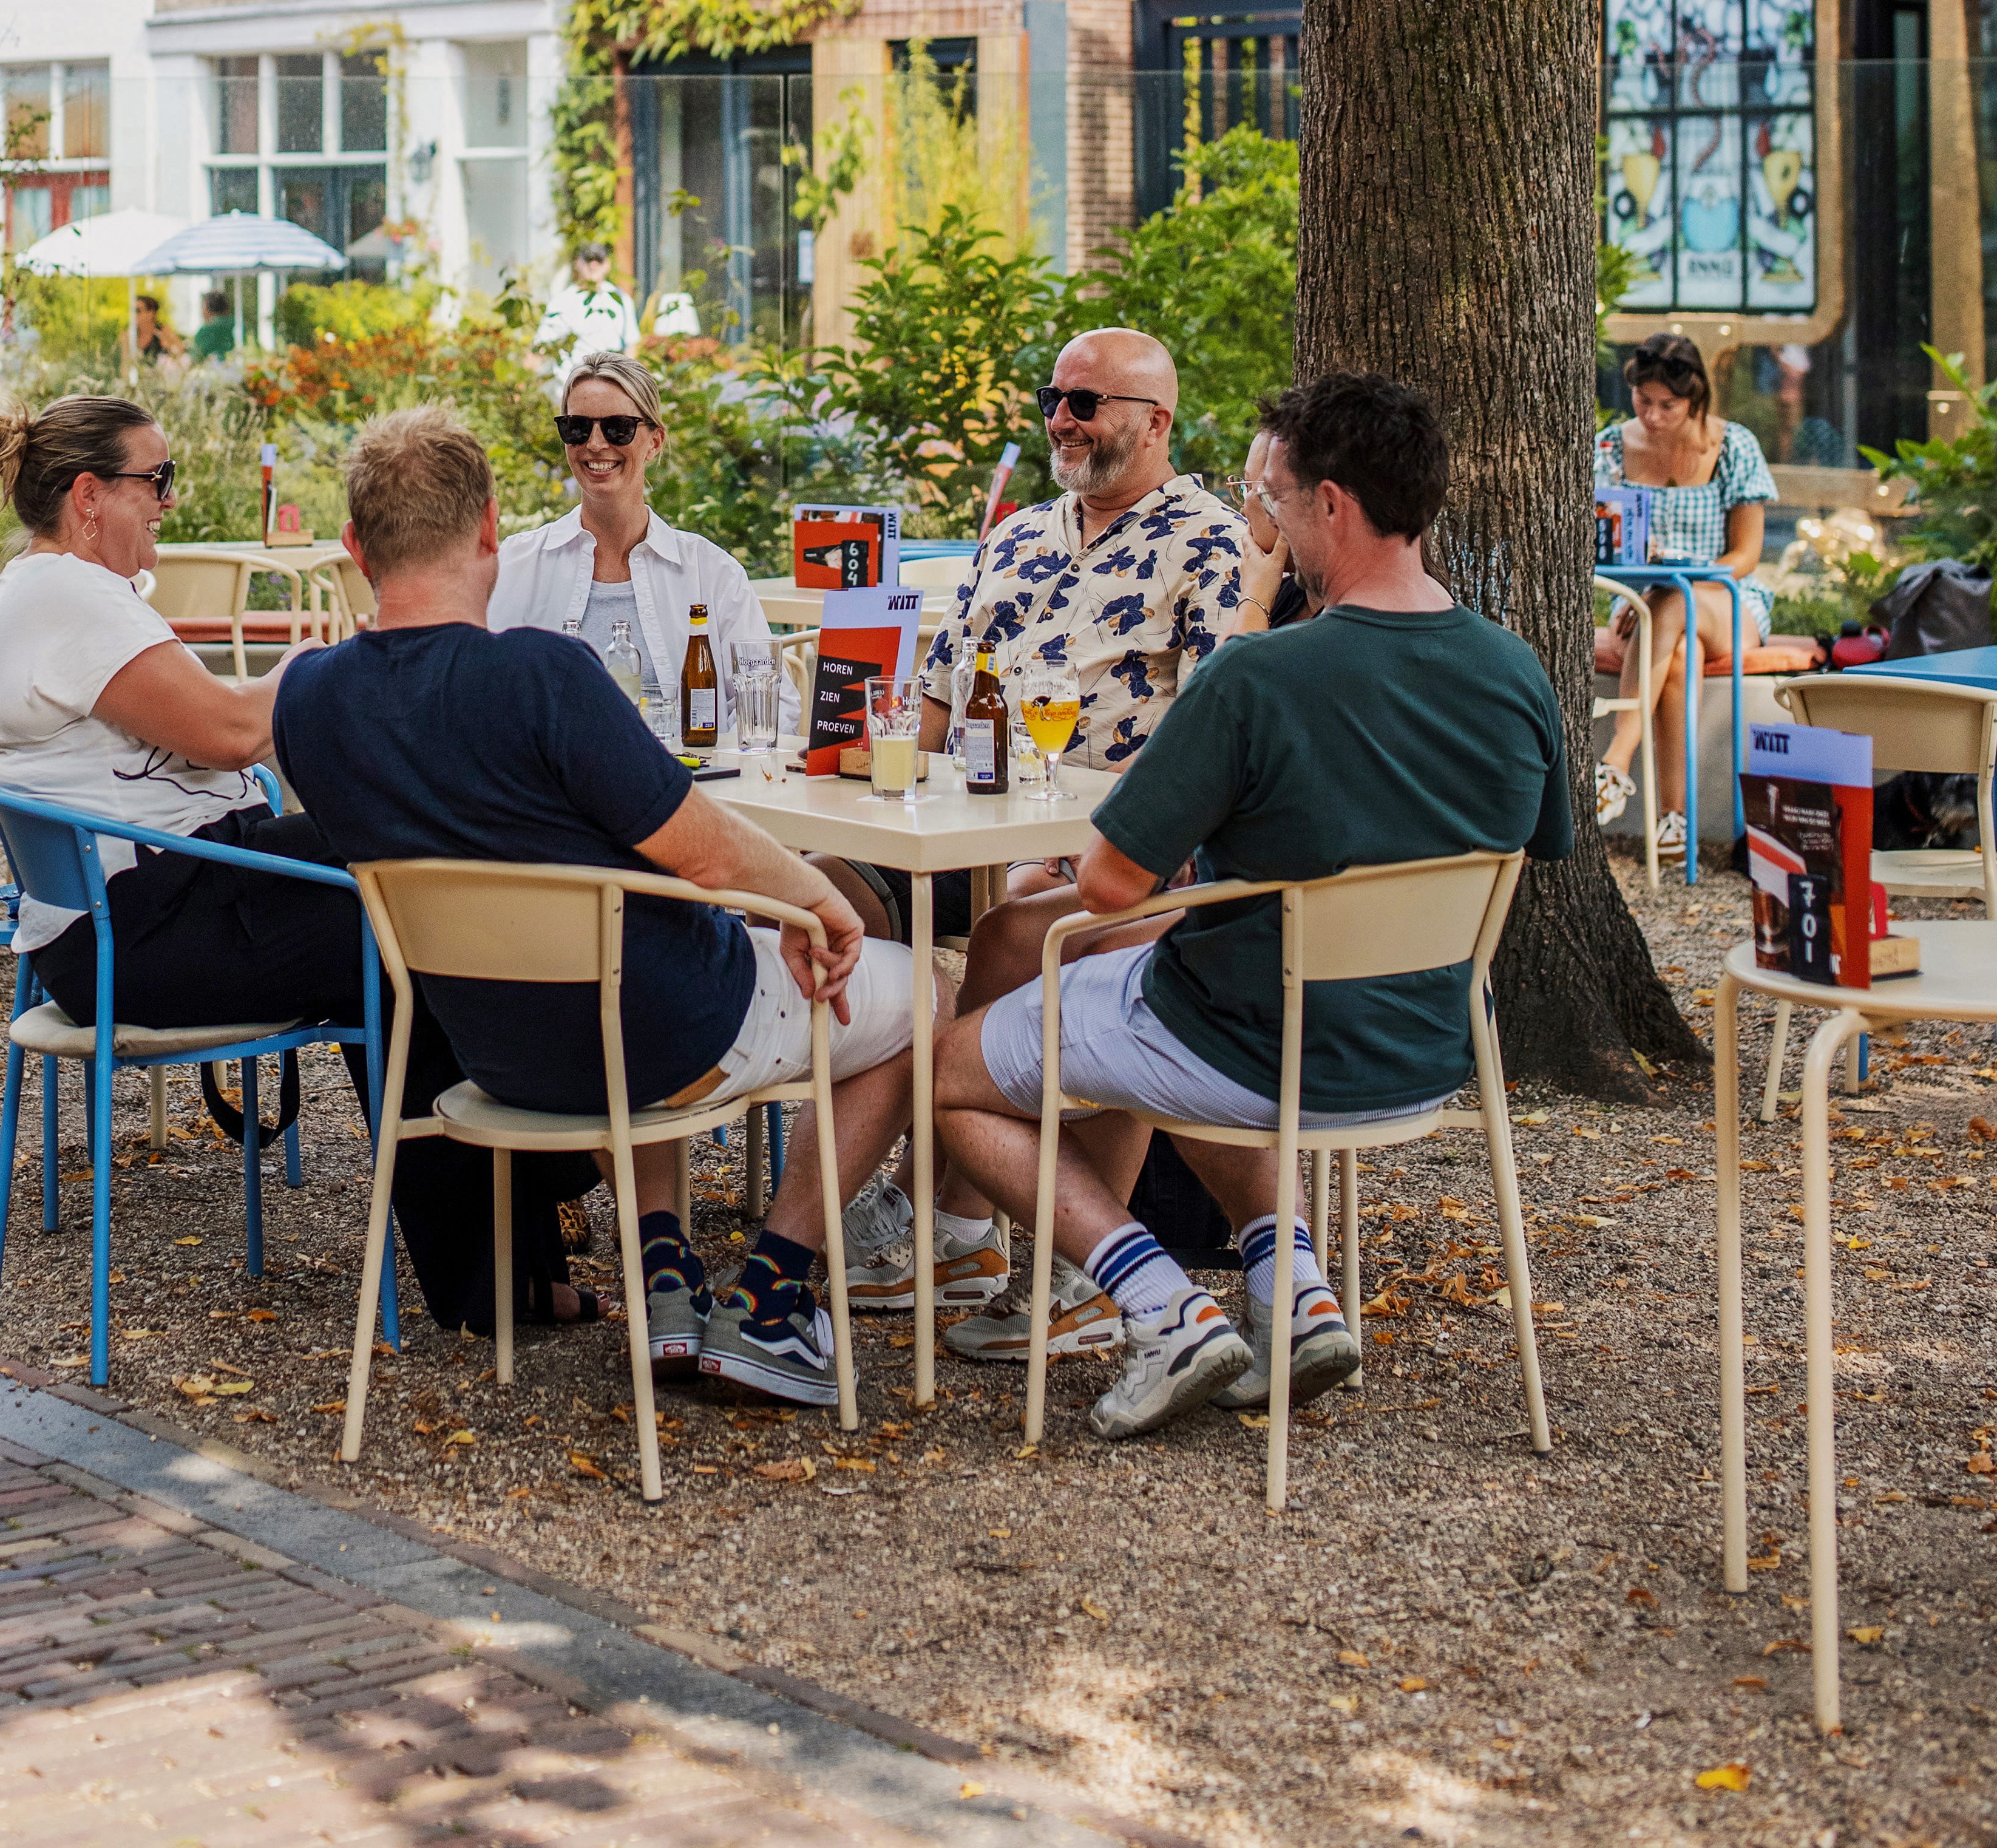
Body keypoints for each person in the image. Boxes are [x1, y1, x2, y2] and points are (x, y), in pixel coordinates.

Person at [931, 370, 1571, 1442]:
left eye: (1273, 500)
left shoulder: (1257, 677)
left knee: (953, 1072)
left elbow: (1107, 885)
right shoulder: (1518, 671)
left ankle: (1157, 1302)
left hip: (1261, 1045)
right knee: (1195, 997)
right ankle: (1296, 1288)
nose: (1260, 525)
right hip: (1432, 1043)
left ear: (1334, 506)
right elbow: (1534, 847)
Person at [274, 404, 933, 1405]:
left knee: (650, 951)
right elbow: (707, 850)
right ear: (491, 528)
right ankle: (773, 1301)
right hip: (652, 1032)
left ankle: (668, 1279)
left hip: (496, 1055)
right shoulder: (541, 674)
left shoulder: (310, 700)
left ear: (355, 546)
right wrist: (822, 906)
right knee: (928, 995)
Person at [0, 393, 591, 1336]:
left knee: (425, 862)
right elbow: (228, 731)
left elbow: (213, 733)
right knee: (410, 920)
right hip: (141, 925)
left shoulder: (70, 593)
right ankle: (520, 1232)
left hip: (159, 901)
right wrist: (333, 669)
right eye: (156, 481)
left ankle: (524, 1227)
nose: (169, 501)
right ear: (90, 496)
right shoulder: (63, 595)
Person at [818, 327, 1259, 1333]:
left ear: (1155, 423)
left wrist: (1109, 837)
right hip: (990, 832)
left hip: (1139, 856)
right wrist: (846, 753)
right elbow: (932, 706)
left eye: (1086, 402)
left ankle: (978, 1238)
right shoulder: (1015, 536)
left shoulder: (1209, 542)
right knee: (827, 884)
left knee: (1021, 934)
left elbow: (1211, 735)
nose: (1061, 417)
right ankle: (957, 1233)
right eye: (1053, 397)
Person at [489, 352, 775, 712]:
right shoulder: (515, 566)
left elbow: (770, 706)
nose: (595, 444)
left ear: (655, 442)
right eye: (577, 427)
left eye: (617, 428)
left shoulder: (713, 574)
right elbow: (477, 695)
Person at [1593, 332, 1777, 865]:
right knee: (1677, 653)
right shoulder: (1609, 448)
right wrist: (1639, 588)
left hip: (1725, 599)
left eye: (1666, 406)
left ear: (1694, 399)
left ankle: (1617, 762)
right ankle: (1674, 825)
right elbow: (1603, 543)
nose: (1652, 416)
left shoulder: (1734, 446)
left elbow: (1745, 555)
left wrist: (1678, 582)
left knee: (1673, 601)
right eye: (1643, 402)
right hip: (1645, 603)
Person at [535, 241, 639, 370]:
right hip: (572, 383)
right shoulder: (562, 302)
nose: (594, 265)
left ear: (607, 265)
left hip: (610, 383)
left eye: (599, 260)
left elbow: (631, 345)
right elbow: (541, 348)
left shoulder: (621, 300)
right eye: (588, 260)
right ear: (578, 263)